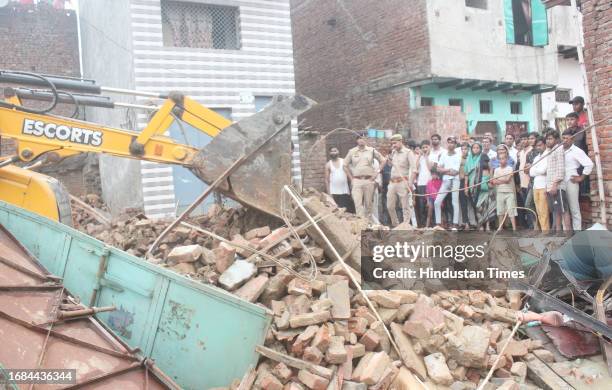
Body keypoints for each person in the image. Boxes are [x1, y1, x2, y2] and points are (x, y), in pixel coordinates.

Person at [343, 134, 386, 221]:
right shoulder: (352, 151)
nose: (361, 140)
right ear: (357, 140)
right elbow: (344, 165)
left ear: (366, 140)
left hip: (368, 180)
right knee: (358, 205)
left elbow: (383, 160)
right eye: (359, 138)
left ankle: (369, 227)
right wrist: (351, 179)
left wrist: (376, 173)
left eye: (363, 138)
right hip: (357, 181)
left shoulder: (371, 150)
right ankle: (361, 226)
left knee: (368, 205)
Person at [562, 129, 594, 231]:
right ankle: (566, 232)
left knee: (574, 208)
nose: (565, 140)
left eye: (567, 138)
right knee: (563, 208)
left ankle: (577, 232)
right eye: (563, 138)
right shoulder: (559, 150)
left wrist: (581, 177)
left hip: (571, 181)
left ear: (573, 139)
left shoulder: (577, 151)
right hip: (560, 182)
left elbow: (589, 164)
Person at [545, 130, 571, 233]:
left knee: (564, 210)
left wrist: (555, 185)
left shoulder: (559, 149)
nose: (548, 141)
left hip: (558, 186)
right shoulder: (550, 151)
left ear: (556, 140)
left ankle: (568, 234)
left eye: (550, 138)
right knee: (556, 211)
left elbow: (560, 170)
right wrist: (548, 187)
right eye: (547, 139)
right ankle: (559, 233)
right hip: (551, 186)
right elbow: (549, 171)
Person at [386, 134, 415, 227]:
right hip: (392, 182)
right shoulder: (393, 152)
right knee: (389, 206)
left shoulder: (408, 152)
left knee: (405, 207)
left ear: (400, 141)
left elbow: (414, 170)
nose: (393, 145)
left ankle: (405, 226)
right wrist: (389, 160)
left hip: (403, 182)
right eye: (392, 143)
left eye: (395, 143)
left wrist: (410, 184)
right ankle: (396, 225)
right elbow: (391, 165)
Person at [434, 136, 462, 229]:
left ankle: (455, 223)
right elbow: (438, 168)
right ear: (447, 143)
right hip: (446, 180)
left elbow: (455, 172)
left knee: (455, 202)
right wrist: (447, 170)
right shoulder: (444, 154)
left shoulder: (458, 155)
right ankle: (438, 223)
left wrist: (444, 170)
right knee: (437, 202)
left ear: (455, 144)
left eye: (453, 142)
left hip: (455, 180)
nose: (451, 144)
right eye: (449, 142)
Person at [464, 142, 491, 230]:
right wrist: (466, 187)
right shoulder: (468, 159)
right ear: (471, 149)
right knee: (476, 205)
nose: (475, 149)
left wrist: (489, 180)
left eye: (477, 148)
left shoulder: (484, 157)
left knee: (485, 205)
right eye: (474, 148)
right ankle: (480, 223)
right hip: (472, 186)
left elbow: (490, 169)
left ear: (480, 149)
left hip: (483, 183)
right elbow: (466, 175)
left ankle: (487, 225)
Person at [491, 154, 517, 231]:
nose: (502, 160)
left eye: (503, 158)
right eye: (500, 159)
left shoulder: (510, 168)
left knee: (511, 210)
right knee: (500, 211)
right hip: (500, 192)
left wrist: (499, 180)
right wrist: (502, 180)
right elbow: (494, 181)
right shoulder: (496, 170)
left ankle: (514, 229)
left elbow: (507, 180)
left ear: (506, 159)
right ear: (498, 160)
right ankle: (500, 228)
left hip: (509, 192)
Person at [325, 147, 355, 213]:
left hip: (344, 191)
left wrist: (353, 183)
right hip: (333, 192)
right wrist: (329, 193)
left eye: (335, 151)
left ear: (338, 152)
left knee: (345, 211)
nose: (333, 153)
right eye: (332, 151)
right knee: (336, 212)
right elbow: (327, 180)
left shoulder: (343, 161)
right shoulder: (328, 164)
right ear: (329, 153)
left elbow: (349, 174)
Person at [529, 136, 550, 231]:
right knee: (538, 209)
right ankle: (543, 229)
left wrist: (536, 169)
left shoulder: (548, 155)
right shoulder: (537, 157)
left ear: (545, 145)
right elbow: (531, 172)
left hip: (544, 185)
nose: (538, 147)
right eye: (537, 146)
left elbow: (543, 170)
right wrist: (538, 170)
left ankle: (546, 230)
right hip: (535, 186)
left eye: (540, 145)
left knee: (544, 209)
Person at [516, 133, 533, 228]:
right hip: (522, 184)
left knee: (530, 206)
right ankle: (530, 226)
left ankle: (533, 227)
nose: (523, 141)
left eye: (525, 139)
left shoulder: (532, 151)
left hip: (530, 184)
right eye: (522, 139)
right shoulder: (521, 153)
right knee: (526, 207)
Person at [415, 140, 431, 227]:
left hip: (429, 182)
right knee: (421, 203)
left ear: (429, 147)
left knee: (429, 203)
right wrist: (420, 156)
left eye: (426, 147)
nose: (425, 149)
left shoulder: (431, 156)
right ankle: (422, 222)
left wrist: (426, 156)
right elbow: (415, 167)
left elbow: (430, 167)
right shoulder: (420, 157)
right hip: (421, 182)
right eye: (423, 148)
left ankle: (430, 222)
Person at [459, 142, 471, 229]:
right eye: (462, 149)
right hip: (461, 182)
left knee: (473, 202)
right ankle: (466, 222)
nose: (464, 151)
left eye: (466, 149)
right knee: (463, 203)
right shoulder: (458, 158)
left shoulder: (471, 158)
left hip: (471, 181)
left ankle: (477, 222)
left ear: (469, 149)